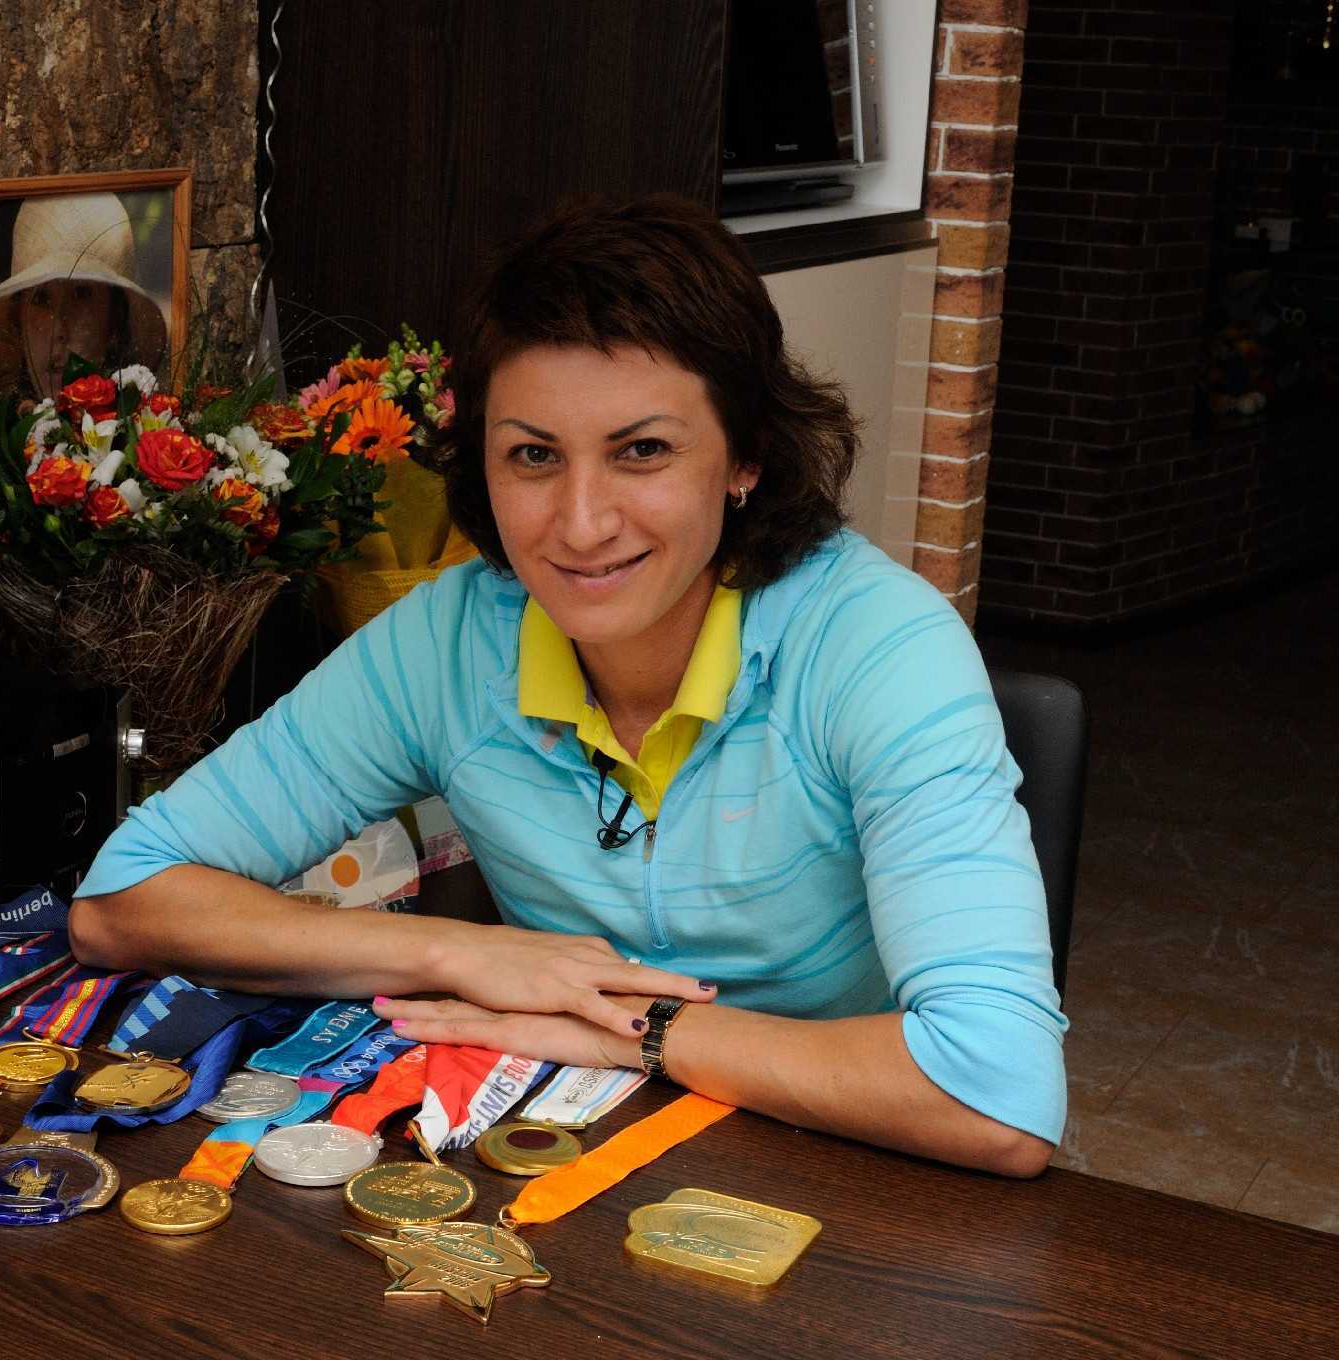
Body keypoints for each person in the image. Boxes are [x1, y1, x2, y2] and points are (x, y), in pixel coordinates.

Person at [68, 195, 1067, 1177]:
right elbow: (121, 899)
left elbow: (997, 1095)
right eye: (533, 455)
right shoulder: (450, 640)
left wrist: (643, 1033)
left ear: (747, 455)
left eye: (643, 450)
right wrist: (459, 955)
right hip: (551, 1154)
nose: (581, 524)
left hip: (842, 1165)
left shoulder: (879, 646)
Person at [0, 192, 170, 401]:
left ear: (115, 319)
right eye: (41, 299)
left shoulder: (153, 422)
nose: (59, 329)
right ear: (18, 319)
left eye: (82, 294)